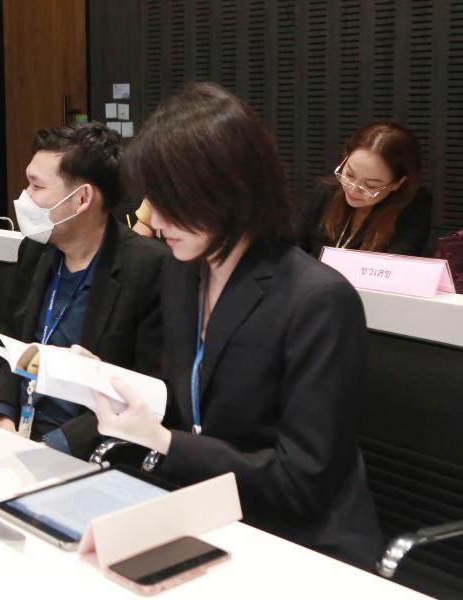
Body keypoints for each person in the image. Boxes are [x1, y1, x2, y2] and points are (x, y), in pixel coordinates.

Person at [82, 83, 382, 569]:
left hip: (302, 543)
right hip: (210, 517)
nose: (156, 221)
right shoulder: (182, 272)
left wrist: (166, 443)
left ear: (228, 191)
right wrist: (104, 380)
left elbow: (302, 481)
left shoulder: (318, 300)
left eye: (171, 202)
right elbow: (188, 405)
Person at [0, 123, 167, 458]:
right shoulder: (35, 250)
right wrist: (1, 417)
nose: (24, 197)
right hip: (15, 434)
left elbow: (143, 391)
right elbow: (7, 341)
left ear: (82, 198)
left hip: (88, 448)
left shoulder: (147, 268)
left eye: (37, 186)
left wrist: (53, 447)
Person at [300, 121, 432, 257]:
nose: (353, 189)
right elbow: (296, 248)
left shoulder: (414, 206)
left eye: (370, 185)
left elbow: (396, 262)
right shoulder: (326, 192)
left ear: (398, 183)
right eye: (349, 175)